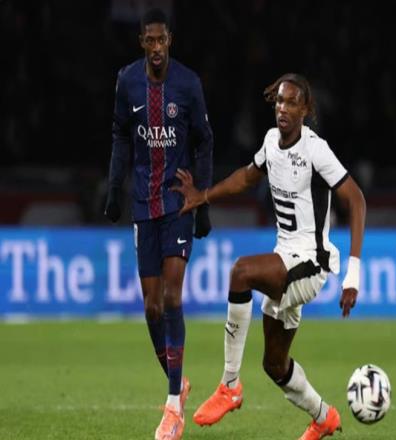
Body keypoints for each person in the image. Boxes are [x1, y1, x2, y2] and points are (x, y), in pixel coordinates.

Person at [172, 73, 366, 439]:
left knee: (240, 273)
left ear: (305, 110)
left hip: (310, 264)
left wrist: (352, 275)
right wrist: (203, 196)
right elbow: (246, 178)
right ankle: (324, 417)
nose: (283, 108)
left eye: (292, 102)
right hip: (284, 257)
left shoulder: (316, 150)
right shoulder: (270, 142)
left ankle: (229, 385)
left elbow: (356, 200)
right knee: (275, 365)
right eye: (279, 101)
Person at [104, 8, 213, 440]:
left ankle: (172, 407)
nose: (155, 48)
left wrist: (203, 199)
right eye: (148, 41)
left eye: (161, 40)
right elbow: (119, 135)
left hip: (177, 204)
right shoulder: (127, 80)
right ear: (141, 43)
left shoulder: (188, 83)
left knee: (171, 296)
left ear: (170, 41)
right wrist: (114, 188)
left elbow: (205, 142)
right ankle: (177, 381)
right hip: (143, 205)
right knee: (151, 307)